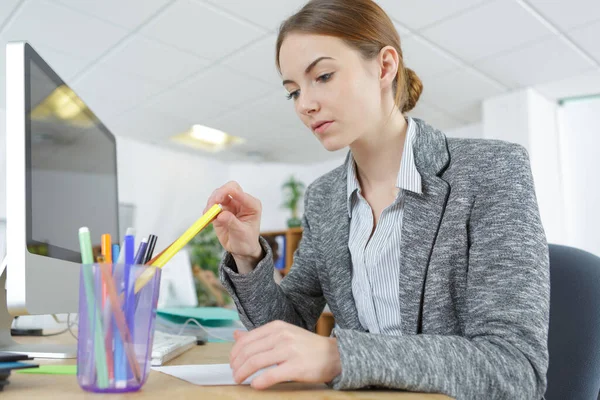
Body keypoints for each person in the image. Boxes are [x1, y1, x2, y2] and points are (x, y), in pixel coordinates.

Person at [203, 0, 550, 398]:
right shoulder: (325, 197)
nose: (305, 104)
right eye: (293, 92)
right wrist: (249, 258)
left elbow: (516, 367)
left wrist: (340, 356)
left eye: (324, 76)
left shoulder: (493, 170)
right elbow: (293, 324)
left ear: (385, 66)